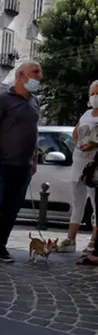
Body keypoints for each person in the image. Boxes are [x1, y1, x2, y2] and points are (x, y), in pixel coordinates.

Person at [0, 62, 43, 267]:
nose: (39, 76)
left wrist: (34, 160)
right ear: (21, 75)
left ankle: (0, 247)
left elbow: (34, 133)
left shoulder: (35, 102)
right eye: (35, 72)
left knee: (12, 210)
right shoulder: (2, 100)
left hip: (23, 166)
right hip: (2, 165)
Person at [67, 81, 98, 258]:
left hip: (94, 165)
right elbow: (76, 132)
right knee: (76, 201)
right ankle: (70, 239)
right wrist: (78, 142)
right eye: (92, 93)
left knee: (95, 203)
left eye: (97, 93)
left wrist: (93, 143)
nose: (94, 97)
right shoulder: (86, 113)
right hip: (79, 161)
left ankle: (93, 241)